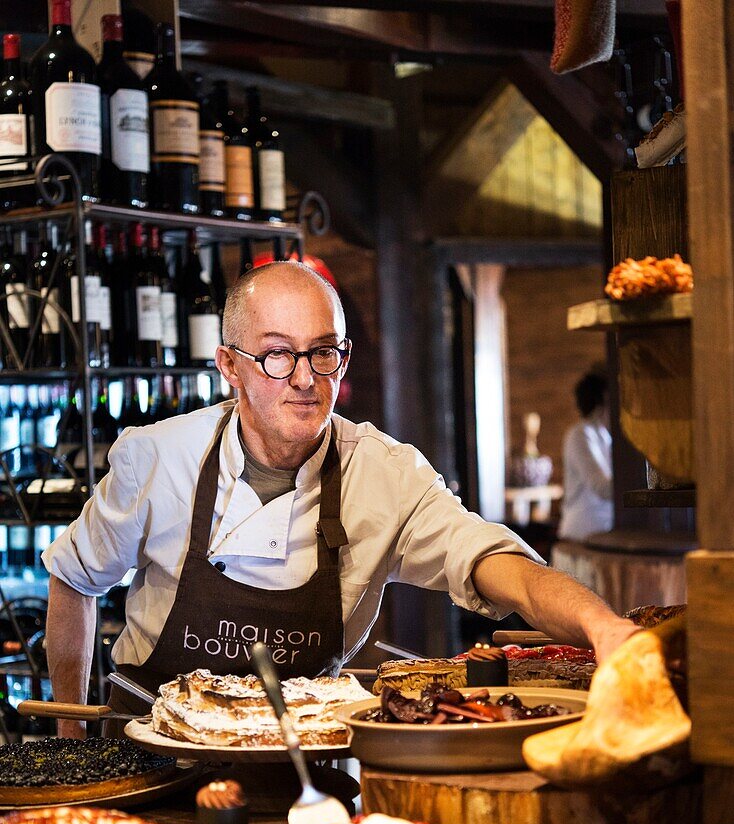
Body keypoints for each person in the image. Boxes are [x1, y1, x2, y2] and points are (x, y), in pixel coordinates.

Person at [44, 263, 636, 737]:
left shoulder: (383, 474)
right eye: (278, 354)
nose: (305, 378)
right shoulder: (158, 457)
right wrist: (71, 730)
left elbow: (493, 563)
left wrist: (600, 625)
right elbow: (74, 577)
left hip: (302, 764)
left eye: (324, 351)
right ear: (230, 365)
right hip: (151, 753)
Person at [557, 371, 614, 542]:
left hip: (600, 532)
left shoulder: (604, 436)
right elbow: (602, 488)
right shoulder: (580, 434)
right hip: (581, 533)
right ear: (601, 402)